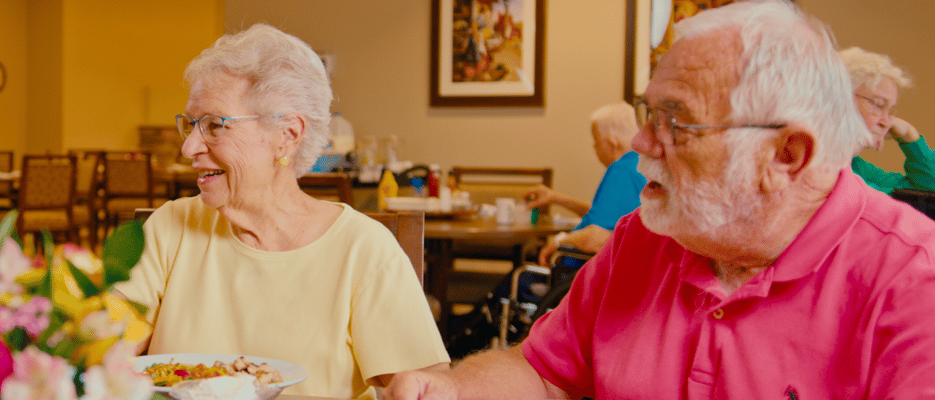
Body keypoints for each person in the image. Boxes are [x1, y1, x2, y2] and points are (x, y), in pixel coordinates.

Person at [386, 1, 935, 398]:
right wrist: (449, 391)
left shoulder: (913, 281)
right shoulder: (645, 237)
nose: (641, 144)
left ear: (786, 153)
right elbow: (542, 373)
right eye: (650, 114)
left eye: (675, 121)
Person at [113, 24, 449, 399]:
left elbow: (422, 388)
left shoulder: (363, 251)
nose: (189, 147)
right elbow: (103, 348)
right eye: (190, 125)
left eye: (213, 125)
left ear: (287, 134)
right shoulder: (169, 228)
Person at [525, 102, 647, 266]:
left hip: (578, 273)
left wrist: (559, 241)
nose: (595, 148)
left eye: (596, 142)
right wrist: (556, 197)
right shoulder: (641, 164)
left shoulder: (622, 170)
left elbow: (596, 237)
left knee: (514, 281)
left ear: (611, 144)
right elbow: (608, 218)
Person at [839, 47, 935, 193]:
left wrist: (909, 136)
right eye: (878, 105)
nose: (886, 122)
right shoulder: (812, 162)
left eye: (890, 112)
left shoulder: (856, 166)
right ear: (838, 95)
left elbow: (926, 191)